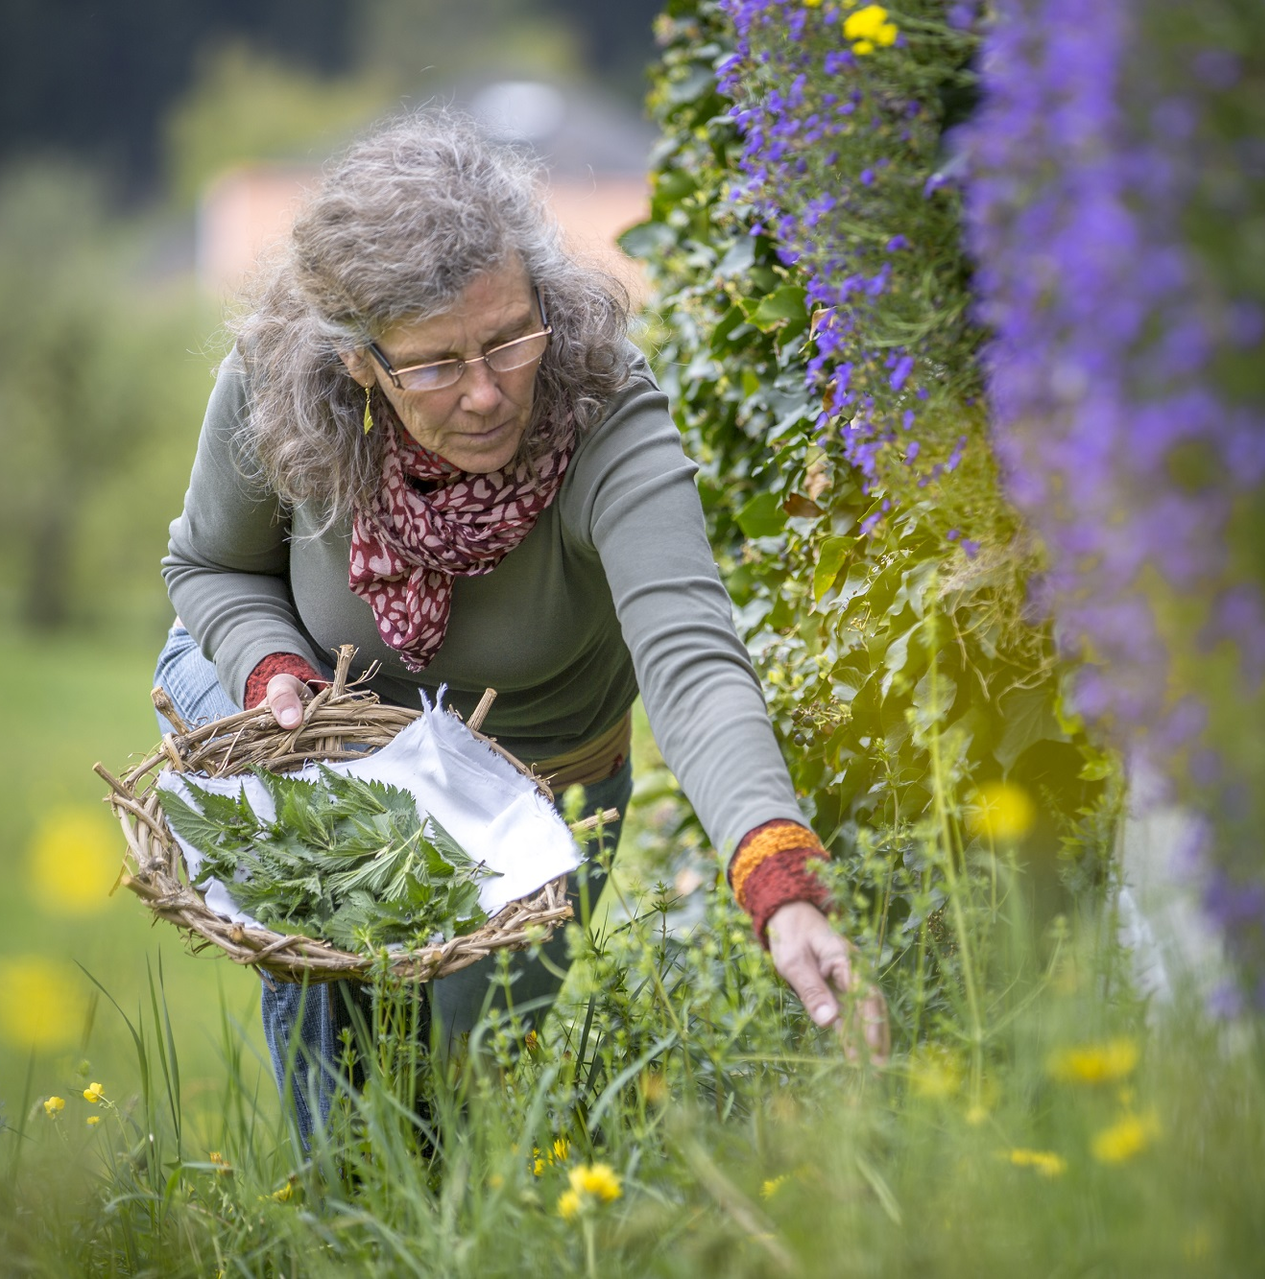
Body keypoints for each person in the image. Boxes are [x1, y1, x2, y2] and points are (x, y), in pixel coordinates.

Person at [155, 109, 888, 1139]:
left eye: (508, 338)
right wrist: (268, 663)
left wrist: (780, 879)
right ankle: (337, 1204)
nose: (488, 392)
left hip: (537, 787)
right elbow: (211, 565)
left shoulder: (604, 410)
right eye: (435, 364)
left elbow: (692, 661)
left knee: (461, 1091)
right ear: (361, 363)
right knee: (342, 1013)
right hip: (317, 730)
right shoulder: (279, 385)